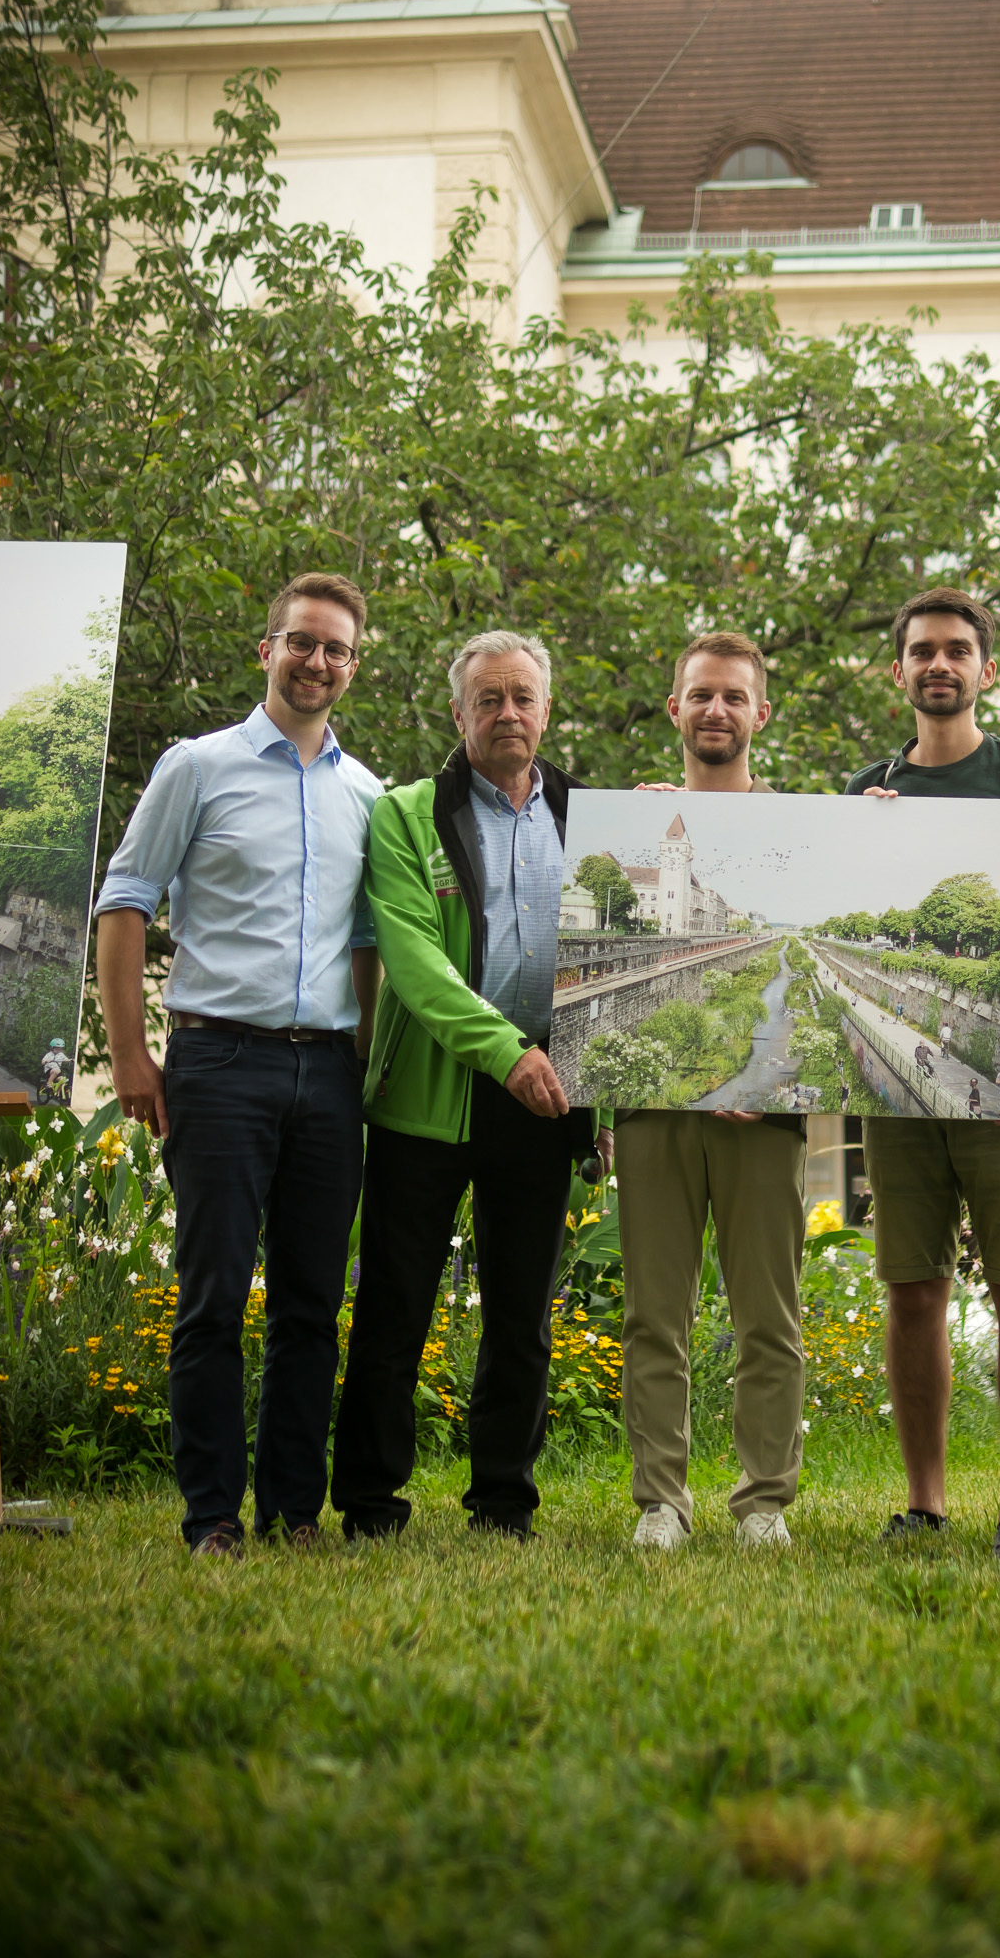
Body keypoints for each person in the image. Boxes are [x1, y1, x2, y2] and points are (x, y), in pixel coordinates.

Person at [95, 571, 382, 1556]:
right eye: (301, 641)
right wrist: (131, 1052)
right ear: (268, 650)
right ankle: (212, 1513)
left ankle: (294, 1510)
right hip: (217, 1064)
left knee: (311, 1304)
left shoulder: (367, 794)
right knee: (213, 1298)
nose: (317, 660)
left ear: (353, 665)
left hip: (330, 1077)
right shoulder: (196, 766)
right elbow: (124, 902)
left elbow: (369, 948)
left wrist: (371, 1068)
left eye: (336, 648)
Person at [331, 630, 610, 1544]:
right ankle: (371, 1504)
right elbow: (410, 962)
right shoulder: (406, 815)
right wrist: (506, 1054)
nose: (507, 714)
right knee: (395, 1305)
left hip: (550, 1094)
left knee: (523, 1313)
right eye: (487, 700)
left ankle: (502, 1500)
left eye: (522, 697)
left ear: (546, 710)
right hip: (431, 1092)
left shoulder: (593, 819)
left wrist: (594, 1087)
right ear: (458, 715)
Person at [846, 588, 1000, 1559]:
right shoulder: (867, 786)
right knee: (912, 1283)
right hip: (895, 1080)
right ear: (897, 671)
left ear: (986, 669)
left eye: (955, 650)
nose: (938, 664)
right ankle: (926, 1497)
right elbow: (847, 915)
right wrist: (856, 837)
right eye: (921, 651)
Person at [619, 631, 807, 1551]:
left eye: (734, 697)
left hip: (761, 1116)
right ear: (676, 709)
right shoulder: (639, 824)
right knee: (655, 1310)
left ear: (759, 714)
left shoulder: (807, 827)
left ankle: (763, 1499)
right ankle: (662, 1498)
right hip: (655, 1109)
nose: (716, 711)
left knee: (767, 1312)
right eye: (701, 696)